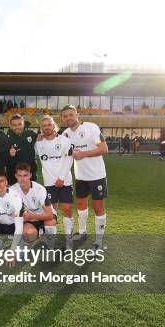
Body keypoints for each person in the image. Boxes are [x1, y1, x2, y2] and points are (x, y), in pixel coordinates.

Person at [60, 105, 109, 250]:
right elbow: (61, 151)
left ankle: (99, 242)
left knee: (98, 208)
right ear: (62, 118)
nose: (68, 118)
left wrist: (83, 154)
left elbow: (104, 149)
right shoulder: (66, 135)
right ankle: (82, 232)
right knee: (81, 206)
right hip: (80, 177)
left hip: (97, 176)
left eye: (71, 114)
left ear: (77, 115)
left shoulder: (91, 128)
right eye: (65, 116)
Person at [35, 115, 75, 250]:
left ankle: (69, 240)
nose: (47, 127)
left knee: (67, 210)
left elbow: (70, 159)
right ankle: (51, 242)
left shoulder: (65, 140)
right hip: (49, 184)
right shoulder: (38, 144)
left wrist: (62, 178)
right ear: (42, 128)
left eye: (49, 124)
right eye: (44, 125)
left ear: (54, 126)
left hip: (65, 181)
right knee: (51, 213)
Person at [9, 163, 56, 248]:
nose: (22, 179)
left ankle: (50, 248)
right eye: (19, 175)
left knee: (50, 223)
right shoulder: (12, 191)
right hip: (29, 218)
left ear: (30, 175)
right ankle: (37, 236)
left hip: (44, 216)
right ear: (16, 176)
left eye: (25, 175)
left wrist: (32, 216)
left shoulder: (39, 189)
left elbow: (49, 215)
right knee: (29, 233)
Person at [6, 114, 38, 184]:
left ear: (23, 124)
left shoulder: (31, 134)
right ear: (10, 126)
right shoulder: (6, 139)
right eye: (14, 125)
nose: (17, 127)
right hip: (13, 177)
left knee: (31, 195)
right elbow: (2, 160)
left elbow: (43, 138)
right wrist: (9, 155)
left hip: (30, 175)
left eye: (20, 124)